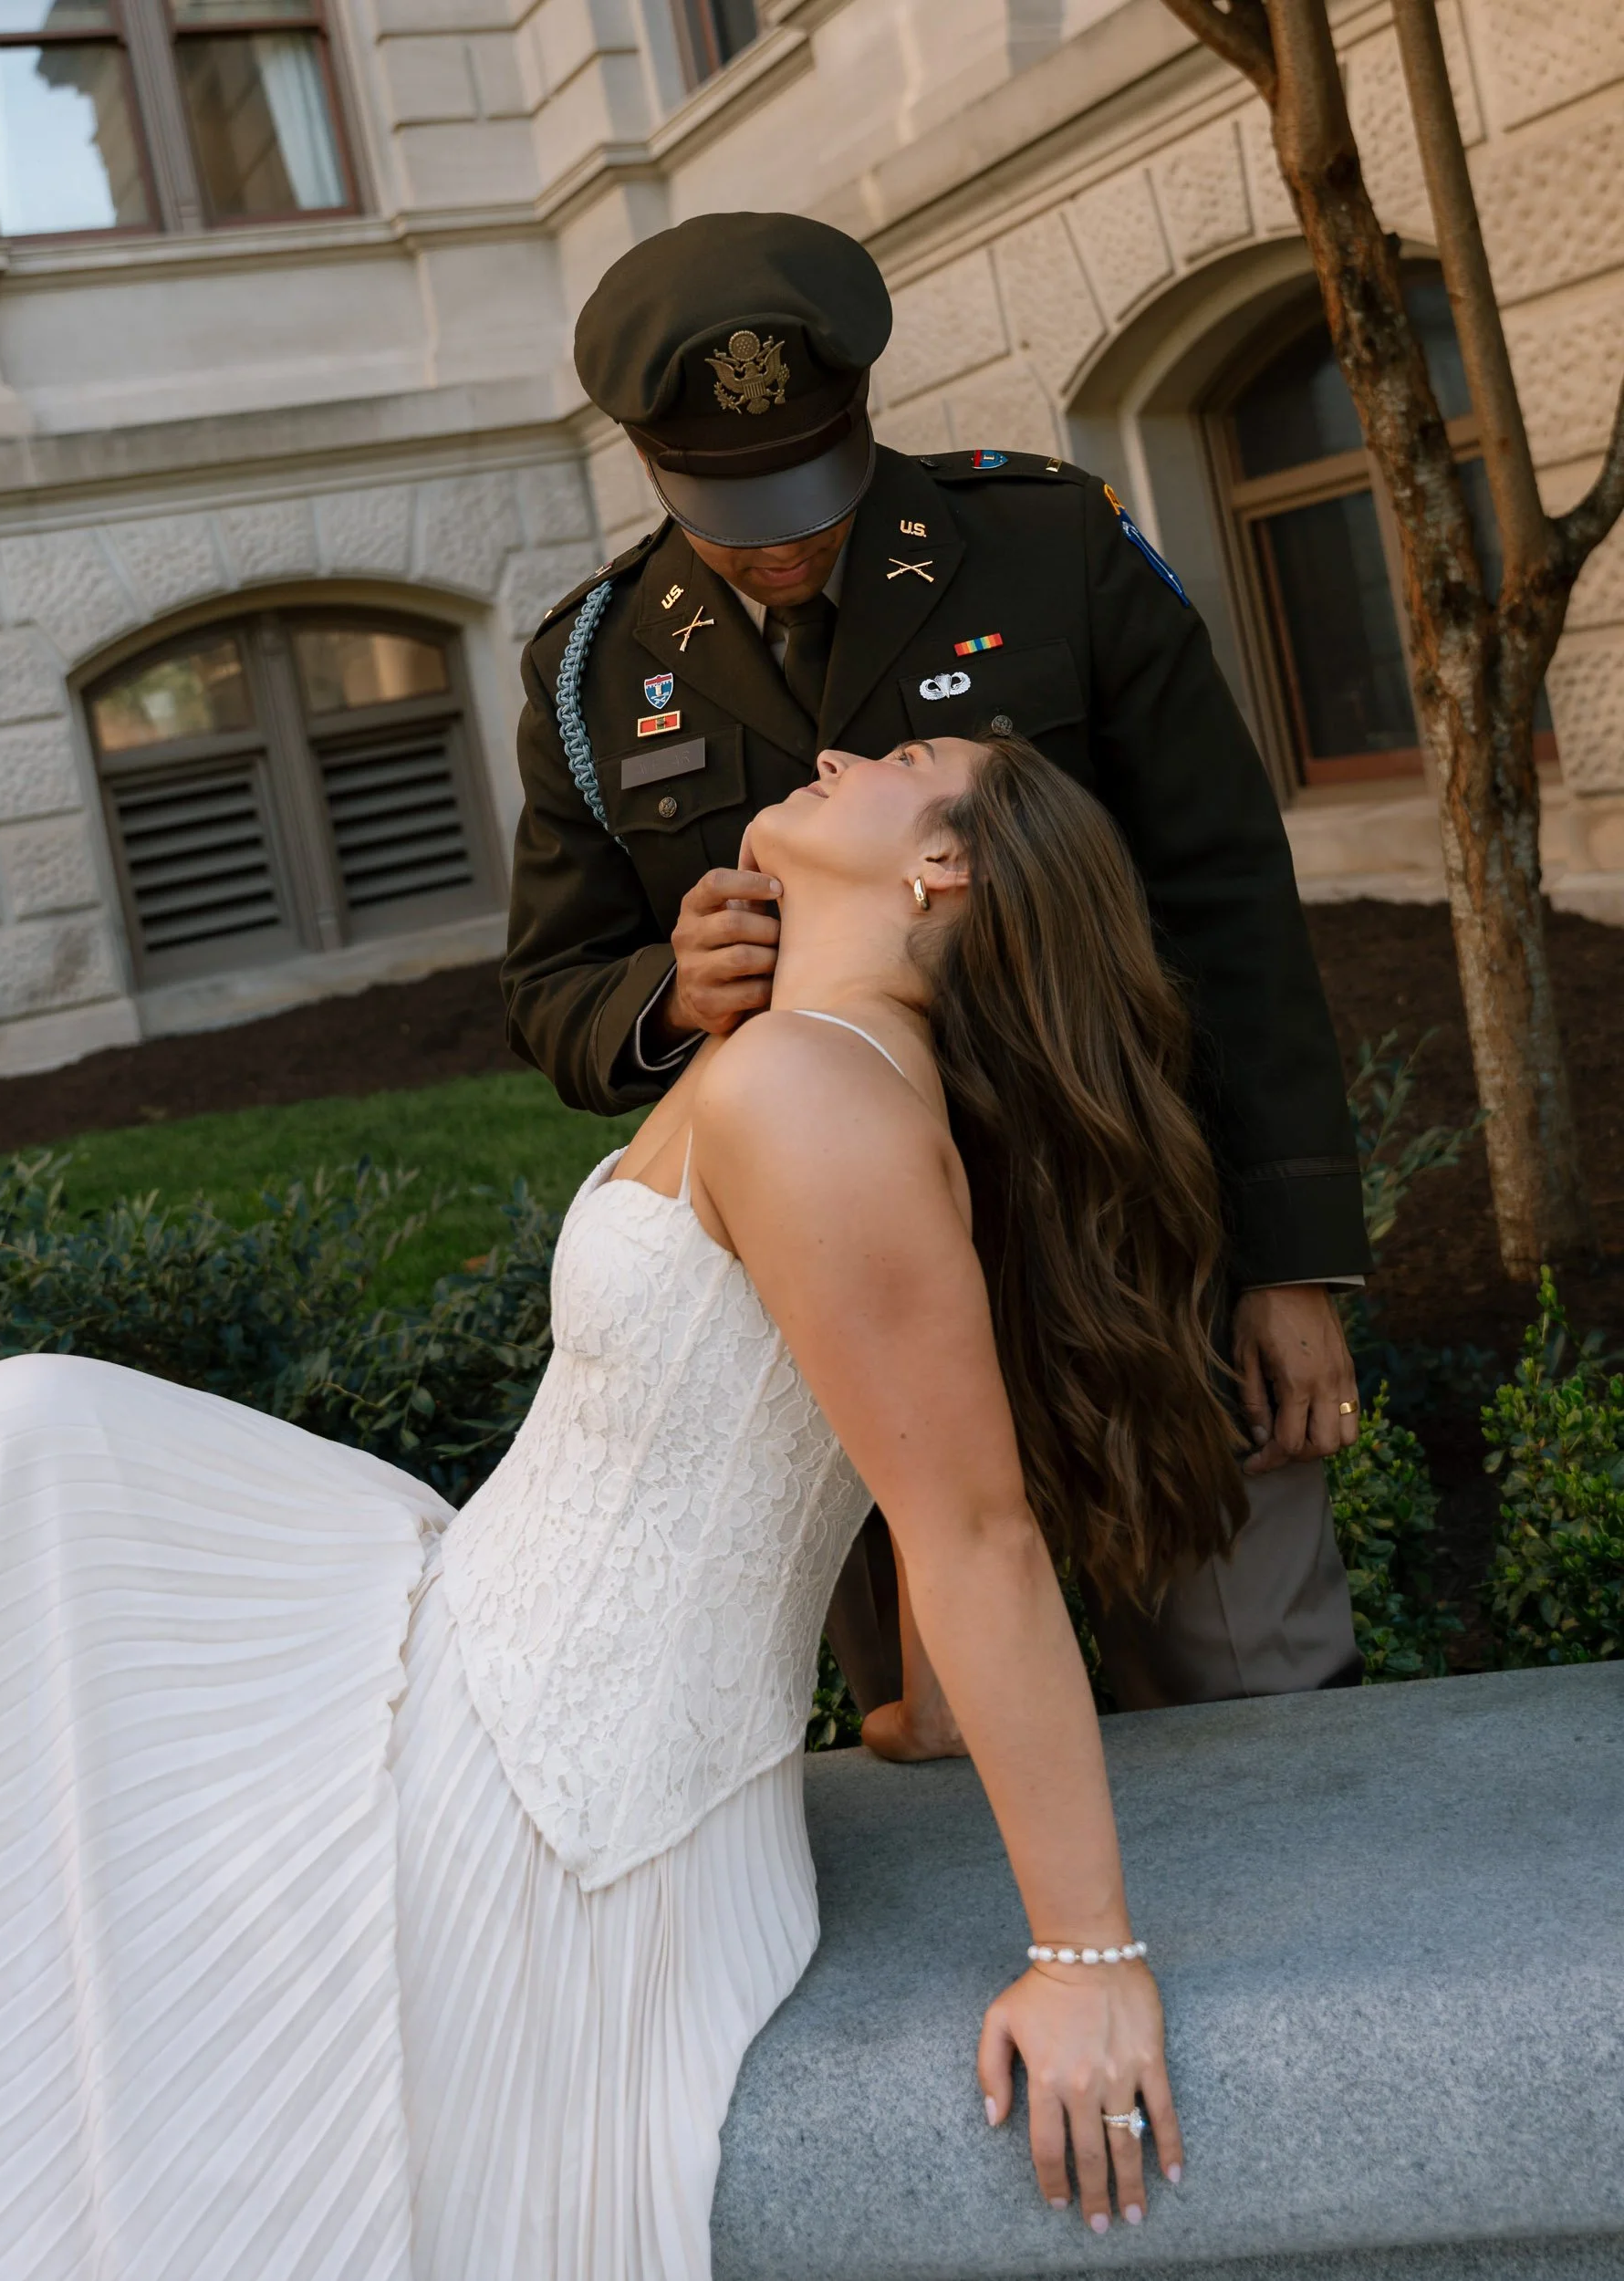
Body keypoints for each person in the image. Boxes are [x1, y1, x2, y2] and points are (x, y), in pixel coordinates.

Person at [0, 730, 1223, 2277]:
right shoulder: (807, 1065)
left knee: (16, 1468)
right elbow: (883, 1434)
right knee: (24, 1453)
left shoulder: (821, 1094)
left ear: (939, 865)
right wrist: (929, 1714)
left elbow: (973, 1526)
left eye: (897, 756)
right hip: (476, 1633)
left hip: (549, 1799)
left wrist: (1087, 1958)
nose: (833, 746)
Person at [503, 209, 1370, 1729]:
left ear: (863, 416)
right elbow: (553, 987)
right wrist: (666, 993)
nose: (780, 540)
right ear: (650, 460)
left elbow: (1229, 903)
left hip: (1130, 1237)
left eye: (806, 490)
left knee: (1260, 1695)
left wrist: (1289, 1259)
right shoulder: (593, 666)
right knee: (942, 1740)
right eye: (732, 505)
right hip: (841, 1303)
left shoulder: (1052, 551)